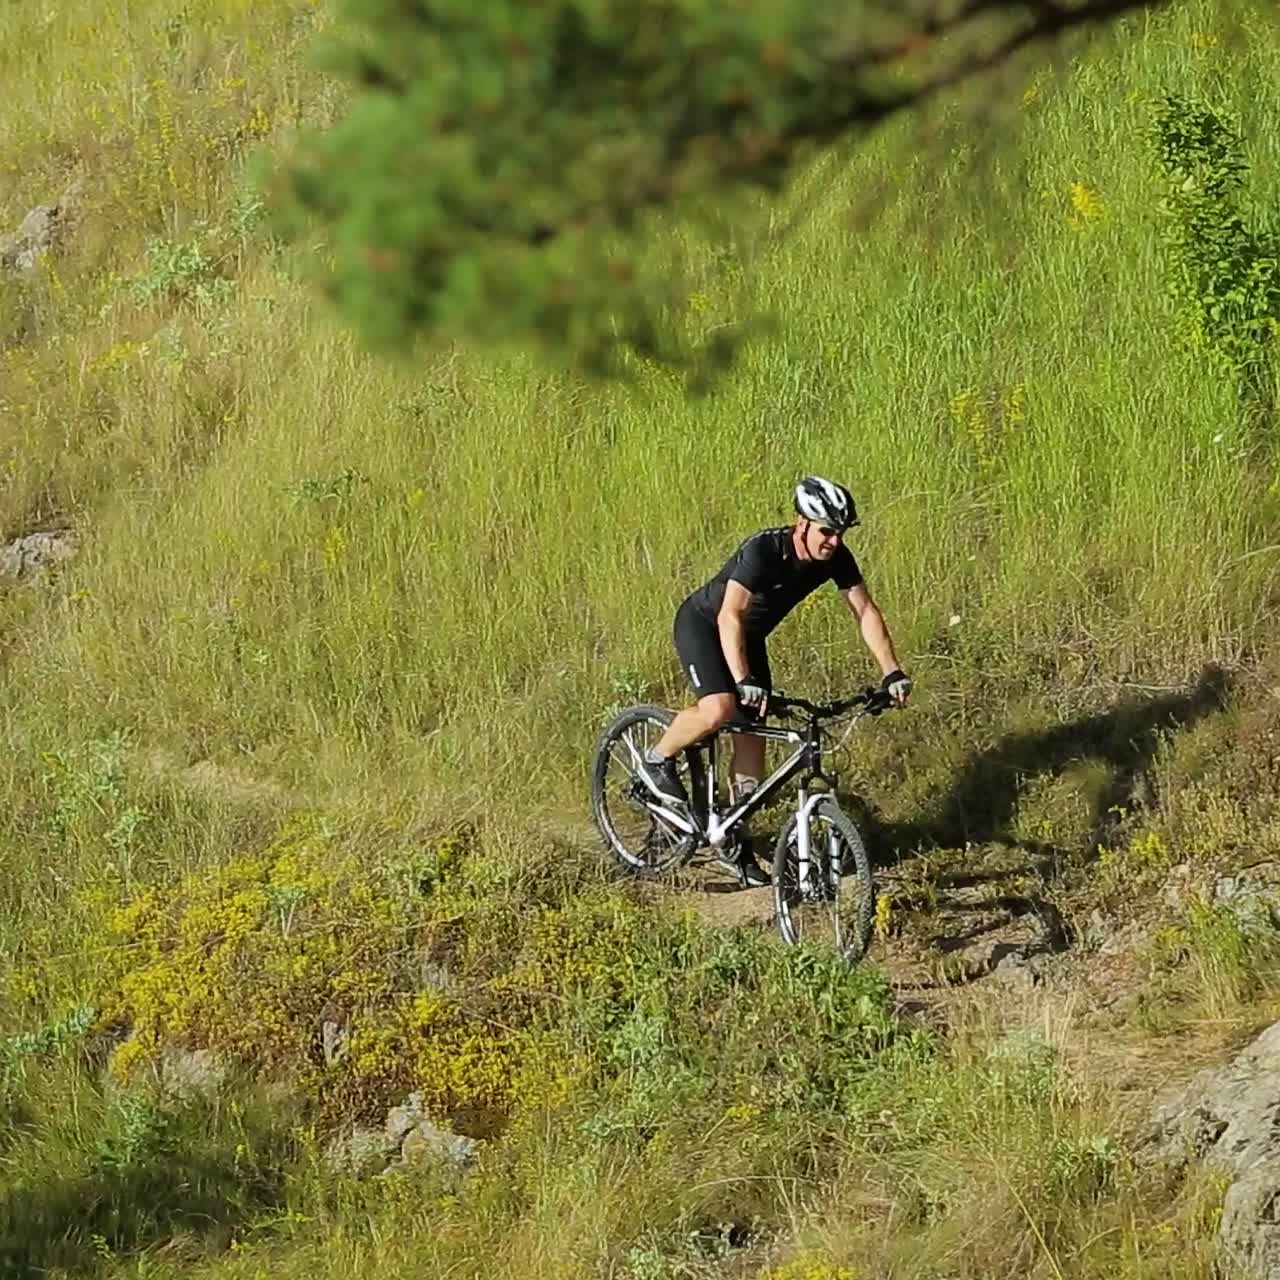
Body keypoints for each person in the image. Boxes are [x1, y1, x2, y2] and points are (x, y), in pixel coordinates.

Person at [637, 476, 912, 887]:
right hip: (705, 625)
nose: (833, 541)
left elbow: (865, 611)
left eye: (839, 533)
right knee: (721, 708)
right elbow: (730, 616)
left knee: (754, 736)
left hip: (748, 639)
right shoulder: (764, 551)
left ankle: (733, 831)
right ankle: (656, 762)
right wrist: (743, 679)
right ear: (800, 522)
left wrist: (891, 671)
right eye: (826, 531)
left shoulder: (836, 557)